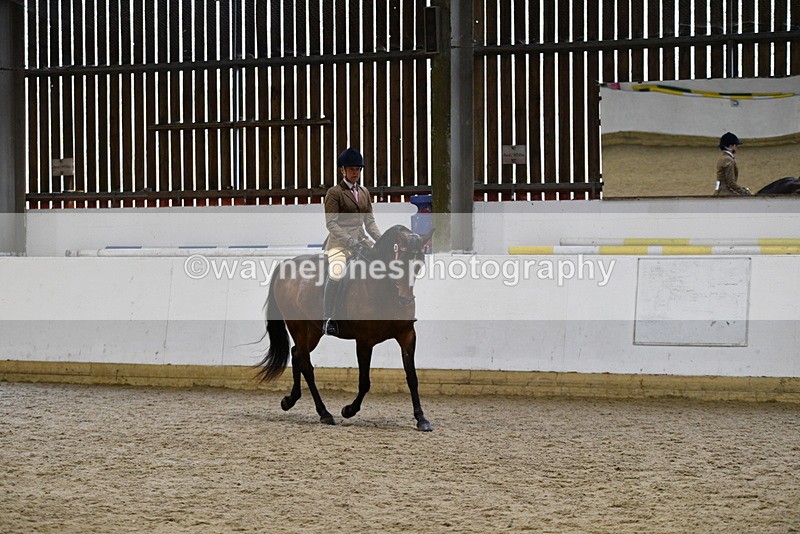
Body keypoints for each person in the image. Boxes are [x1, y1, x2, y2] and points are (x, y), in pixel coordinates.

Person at [322, 148, 382, 336]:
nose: (355, 172)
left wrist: (381, 242)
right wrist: (349, 241)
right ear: (343, 171)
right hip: (339, 244)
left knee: (383, 264)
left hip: (362, 241)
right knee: (337, 272)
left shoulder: (364, 192)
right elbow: (331, 223)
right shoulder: (334, 193)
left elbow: (369, 222)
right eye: (352, 169)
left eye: (358, 169)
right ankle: (328, 318)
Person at [715, 132, 752, 196]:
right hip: (725, 193)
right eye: (736, 146)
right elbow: (731, 183)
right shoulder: (728, 159)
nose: (737, 148)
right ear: (731, 146)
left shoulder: (723, 157)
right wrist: (745, 192)